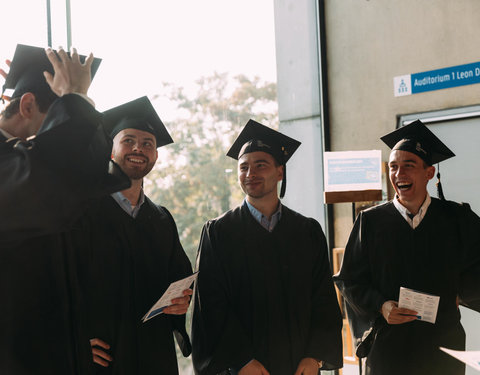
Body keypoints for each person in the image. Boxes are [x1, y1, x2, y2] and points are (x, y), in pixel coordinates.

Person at [0, 44, 129, 374]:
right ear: (27, 105)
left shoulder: (21, 159)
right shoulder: (20, 166)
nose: (55, 135)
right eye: (55, 120)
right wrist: (74, 98)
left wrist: (77, 101)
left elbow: (83, 178)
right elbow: (54, 177)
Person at [192, 120, 343, 375]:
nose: (250, 174)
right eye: (244, 167)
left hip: (299, 366)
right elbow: (211, 304)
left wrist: (314, 356)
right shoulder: (219, 232)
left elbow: (323, 299)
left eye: (260, 165)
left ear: (280, 172)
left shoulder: (307, 231)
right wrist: (241, 360)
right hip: (245, 369)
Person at [334, 119, 480, 375]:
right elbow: (349, 280)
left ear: (429, 172)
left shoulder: (457, 218)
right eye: (393, 167)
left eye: (408, 166)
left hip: (443, 347)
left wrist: (459, 293)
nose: (398, 174)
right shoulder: (370, 221)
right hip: (389, 349)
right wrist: (382, 305)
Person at [72, 96, 193, 374]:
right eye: (128, 140)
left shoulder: (161, 219)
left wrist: (181, 302)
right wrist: (73, 339)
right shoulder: (82, 212)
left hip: (154, 355)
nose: (139, 148)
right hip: (101, 356)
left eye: (148, 143)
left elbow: (179, 279)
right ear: (111, 150)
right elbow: (58, 283)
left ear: (155, 156)